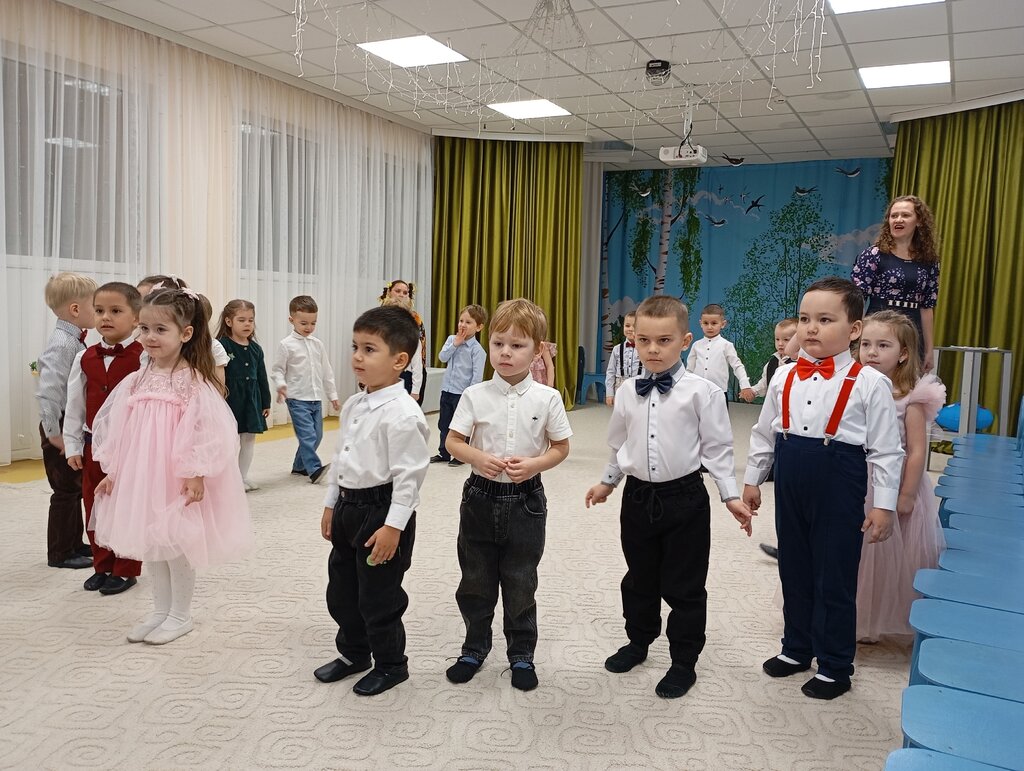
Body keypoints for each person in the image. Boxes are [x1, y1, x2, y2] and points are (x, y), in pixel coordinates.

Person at [743, 276, 904, 700]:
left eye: (825, 320)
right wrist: (753, 479)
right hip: (790, 473)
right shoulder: (783, 376)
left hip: (839, 478)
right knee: (793, 566)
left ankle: (834, 664)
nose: (810, 328)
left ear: (854, 329)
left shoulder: (870, 383)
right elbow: (764, 432)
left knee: (834, 574)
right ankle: (796, 647)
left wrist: (884, 505)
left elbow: (887, 450)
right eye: (804, 319)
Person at [585, 295, 753, 699]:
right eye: (644, 341)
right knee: (638, 577)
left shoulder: (703, 392)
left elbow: (718, 449)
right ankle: (638, 641)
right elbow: (619, 443)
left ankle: (683, 661)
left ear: (685, 341)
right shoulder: (628, 390)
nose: (653, 350)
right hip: (637, 498)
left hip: (685, 499)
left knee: (685, 584)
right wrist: (608, 482)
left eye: (664, 341)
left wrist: (729, 495)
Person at [91, 287, 253, 644]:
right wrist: (114, 471)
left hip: (175, 475)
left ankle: (180, 614)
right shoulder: (139, 376)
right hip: (143, 473)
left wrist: (195, 472)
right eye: (145, 328)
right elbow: (121, 427)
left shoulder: (191, 381)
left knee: (176, 544)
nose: (150, 337)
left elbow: (206, 429)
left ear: (186, 333)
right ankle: (160, 610)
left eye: (160, 330)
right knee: (152, 542)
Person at [443, 299, 572, 692]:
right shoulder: (474, 394)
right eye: (498, 343)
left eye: (517, 346)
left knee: (520, 582)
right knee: (475, 580)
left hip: (526, 501)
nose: (505, 353)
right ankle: (474, 648)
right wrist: (477, 457)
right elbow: (452, 441)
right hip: (479, 499)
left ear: (538, 349)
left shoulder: (547, 398)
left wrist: (535, 465)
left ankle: (521, 654)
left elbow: (560, 447)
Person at [314, 305, 429, 696]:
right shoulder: (354, 404)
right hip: (349, 506)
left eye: (369, 349)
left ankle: (392, 664)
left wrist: (393, 527)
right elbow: (341, 456)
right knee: (342, 590)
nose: (357, 357)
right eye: (355, 347)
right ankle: (354, 653)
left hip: (382, 512)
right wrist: (331, 502)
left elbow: (409, 477)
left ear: (399, 361)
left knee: (379, 596)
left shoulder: (403, 414)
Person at [855, 311, 946, 641]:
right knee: (857, 553)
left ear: (903, 353)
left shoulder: (910, 397)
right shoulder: (855, 385)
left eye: (883, 345)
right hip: (858, 478)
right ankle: (850, 613)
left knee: (885, 555)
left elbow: (917, 451)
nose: (872, 352)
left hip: (895, 482)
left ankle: (875, 619)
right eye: (865, 344)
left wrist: (905, 495)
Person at [64, 282, 145, 594]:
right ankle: (102, 564)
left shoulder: (144, 358)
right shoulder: (84, 357)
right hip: (92, 446)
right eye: (99, 311)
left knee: (126, 507)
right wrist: (72, 445)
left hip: (130, 447)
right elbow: (75, 405)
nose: (105, 317)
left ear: (136, 318)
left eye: (115, 311)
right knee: (94, 504)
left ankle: (126, 568)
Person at [37, 272, 97, 570]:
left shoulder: (74, 340)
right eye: (96, 307)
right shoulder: (63, 344)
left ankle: (74, 542)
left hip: (67, 423)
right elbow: (48, 391)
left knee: (75, 486)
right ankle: (60, 553)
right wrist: (54, 433)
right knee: (64, 490)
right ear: (75, 309)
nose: (100, 314)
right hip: (58, 425)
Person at [850, 195, 941, 371]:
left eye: (905, 215)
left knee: (907, 382)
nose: (898, 219)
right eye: (894, 216)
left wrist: (929, 350)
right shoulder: (874, 255)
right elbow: (857, 299)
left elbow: (927, 307)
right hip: (878, 325)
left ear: (919, 221)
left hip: (912, 330)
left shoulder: (929, 261)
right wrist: (854, 336)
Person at [743, 316, 799, 559]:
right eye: (778, 339)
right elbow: (765, 384)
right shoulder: (774, 363)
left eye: (787, 339)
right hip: (777, 423)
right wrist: (752, 391)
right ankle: (787, 546)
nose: (781, 344)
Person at [271, 295, 339, 484]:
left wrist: (332, 394)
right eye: (304, 323)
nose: (309, 327)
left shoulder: (318, 345)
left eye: (313, 323)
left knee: (317, 436)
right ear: (291, 320)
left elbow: (327, 371)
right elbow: (277, 370)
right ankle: (314, 470)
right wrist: (281, 385)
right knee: (307, 436)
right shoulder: (286, 345)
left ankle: (299, 466)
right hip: (297, 398)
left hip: (316, 398)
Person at [217, 300, 272, 492]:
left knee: (248, 439)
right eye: (241, 320)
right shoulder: (221, 345)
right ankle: (228, 478)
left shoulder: (256, 349)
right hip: (231, 399)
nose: (247, 324)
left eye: (251, 320)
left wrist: (266, 402)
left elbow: (262, 377)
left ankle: (242, 476)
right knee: (230, 440)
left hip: (251, 400)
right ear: (229, 322)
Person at [430, 304, 488, 466]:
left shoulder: (477, 350)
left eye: (468, 322)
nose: (463, 325)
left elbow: (477, 377)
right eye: (461, 321)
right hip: (447, 390)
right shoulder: (451, 340)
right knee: (444, 423)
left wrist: (470, 396)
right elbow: (442, 357)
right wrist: (455, 343)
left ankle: (461, 455)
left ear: (479, 327)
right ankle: (444, 452)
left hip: (462, 394)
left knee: (461, 426)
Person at [685, 304, 754, 403]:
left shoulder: (726, 345)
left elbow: (737, 366)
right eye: (706, 323)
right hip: (697, 392)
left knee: (719, 414)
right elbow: (689, 369)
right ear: (700, 323)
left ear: (723, 324)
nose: (709, 327)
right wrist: (685, 386)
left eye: (714, 323)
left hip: (719, 392)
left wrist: (745, 385)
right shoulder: (696, 345)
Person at [379, 280, 427, 403]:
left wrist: (416, 390)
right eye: (398, 291)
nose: (401, 295)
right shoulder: (380, 317)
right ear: (389, 292)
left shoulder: (413, 323)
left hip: (407, 375)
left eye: (405, 292)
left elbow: (418, 360)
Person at [605, 311, 643, 406]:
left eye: (634, 326)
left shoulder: (644, 349)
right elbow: (611, 372)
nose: (630, 329)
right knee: (620, 411)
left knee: (638, 411)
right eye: (627, 326)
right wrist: (609, 393)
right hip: (620, 386)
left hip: (639, 385)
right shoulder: (617, 349)